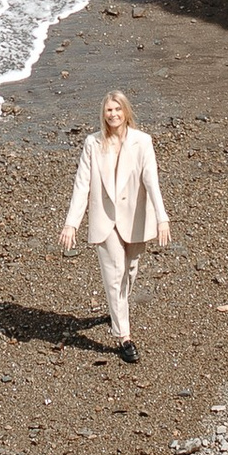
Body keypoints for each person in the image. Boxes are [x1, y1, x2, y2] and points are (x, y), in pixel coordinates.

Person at [58, 87, 168, 362]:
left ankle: (116, 310)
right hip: (105, 220)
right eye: (109, 110)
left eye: (118, 109)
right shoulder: (92, 144)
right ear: (103, 114)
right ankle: (123, 337)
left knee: (130, 270)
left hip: (135, 218)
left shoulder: (142, 142)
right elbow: (81, 186)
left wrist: (162, 217)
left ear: (126, 112)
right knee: (116, 275)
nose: (114, 114)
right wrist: (71, 223)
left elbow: (151, 181)